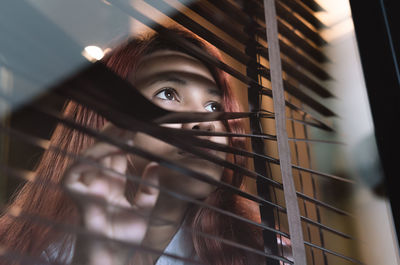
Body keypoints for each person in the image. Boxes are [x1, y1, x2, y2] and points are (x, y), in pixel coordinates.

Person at [0, 28, 268, 265]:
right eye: (168, 94)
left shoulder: (262, 253)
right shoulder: (24, 250)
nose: (206, 123)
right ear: (109, 124)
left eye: (213, 107)